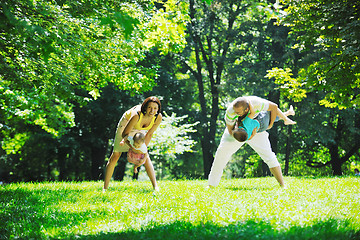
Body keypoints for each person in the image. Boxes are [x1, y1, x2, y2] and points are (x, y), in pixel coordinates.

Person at [208, 96, 294, 189]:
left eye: (238, 112)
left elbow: (274, 107)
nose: (235, 113)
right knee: (222, 152)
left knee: (268, 155)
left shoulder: (257, 103)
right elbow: (230, 130)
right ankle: (212, 184)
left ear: (247, 109)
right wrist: (244, 137)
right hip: (237, 131)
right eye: (235, 111)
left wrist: (270, 125)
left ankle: (282, 185)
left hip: (255, 128)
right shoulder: (230, 112)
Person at [103, 96, 162, 192]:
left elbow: (149, 134)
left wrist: (142, 151)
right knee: (116, 155)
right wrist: (133, 148)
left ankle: (155, 187)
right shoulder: (136, 115)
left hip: (139, 129)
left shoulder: (158, 117)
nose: (152, 110)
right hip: (126, 125)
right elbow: (125, 134)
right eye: (150, 107)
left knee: (146, 157)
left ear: (158, 109)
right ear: (145, 107)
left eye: (155, 108)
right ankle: (105, 188)